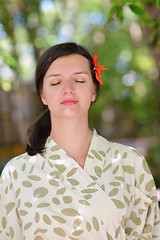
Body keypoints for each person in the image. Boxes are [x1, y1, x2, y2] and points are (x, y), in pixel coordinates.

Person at [0, 42, 160, 240]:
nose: (68, 89)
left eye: (79, 80)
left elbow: (151, 233)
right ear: (43, 95)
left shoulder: (131, 162)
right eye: (56, 82)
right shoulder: (16, 173)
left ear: (93, 90)